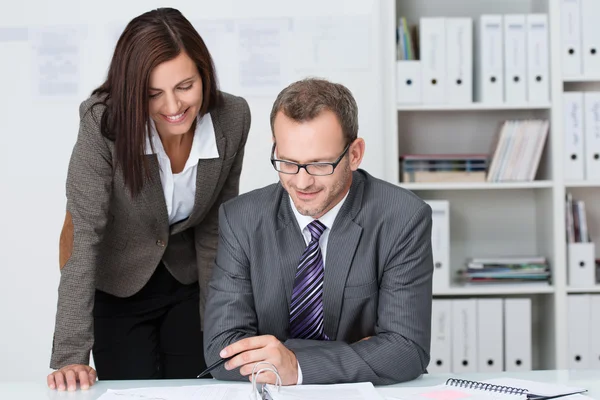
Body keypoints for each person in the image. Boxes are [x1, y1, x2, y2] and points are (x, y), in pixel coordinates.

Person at [47, 8, 250, 391]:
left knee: (200, 390)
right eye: (153, 94)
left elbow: (215, 231)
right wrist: (70, 355)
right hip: (118, 281)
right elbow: (84, 232)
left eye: (185, 86)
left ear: (203, 74)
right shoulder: (102, 122)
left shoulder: (232, 118)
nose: (172, 108)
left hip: (188, 281)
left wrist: (224, 326)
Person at [204, 78, 433, 386]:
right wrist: (360, 351)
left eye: (320, 165)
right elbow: (224, 351)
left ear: (354, 154)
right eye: (287, 162)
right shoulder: (241, 219)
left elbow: (406, 350)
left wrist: (295, 364)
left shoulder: (403, 218)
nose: (301, 183)